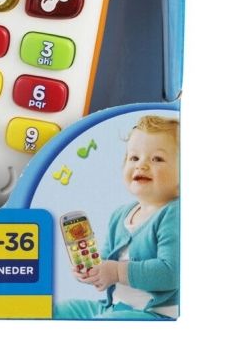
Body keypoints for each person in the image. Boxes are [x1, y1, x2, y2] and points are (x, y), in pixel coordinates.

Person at [56, 115, 180, 320]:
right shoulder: (120, 215)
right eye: (134, 158)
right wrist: (93, 271)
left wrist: (117, 272)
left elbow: (171, 273)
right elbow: (106, 262)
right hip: (113, 308)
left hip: (155, 315)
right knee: (55, 311)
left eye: (157, 159)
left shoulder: (175, 214)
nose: (141, 165)